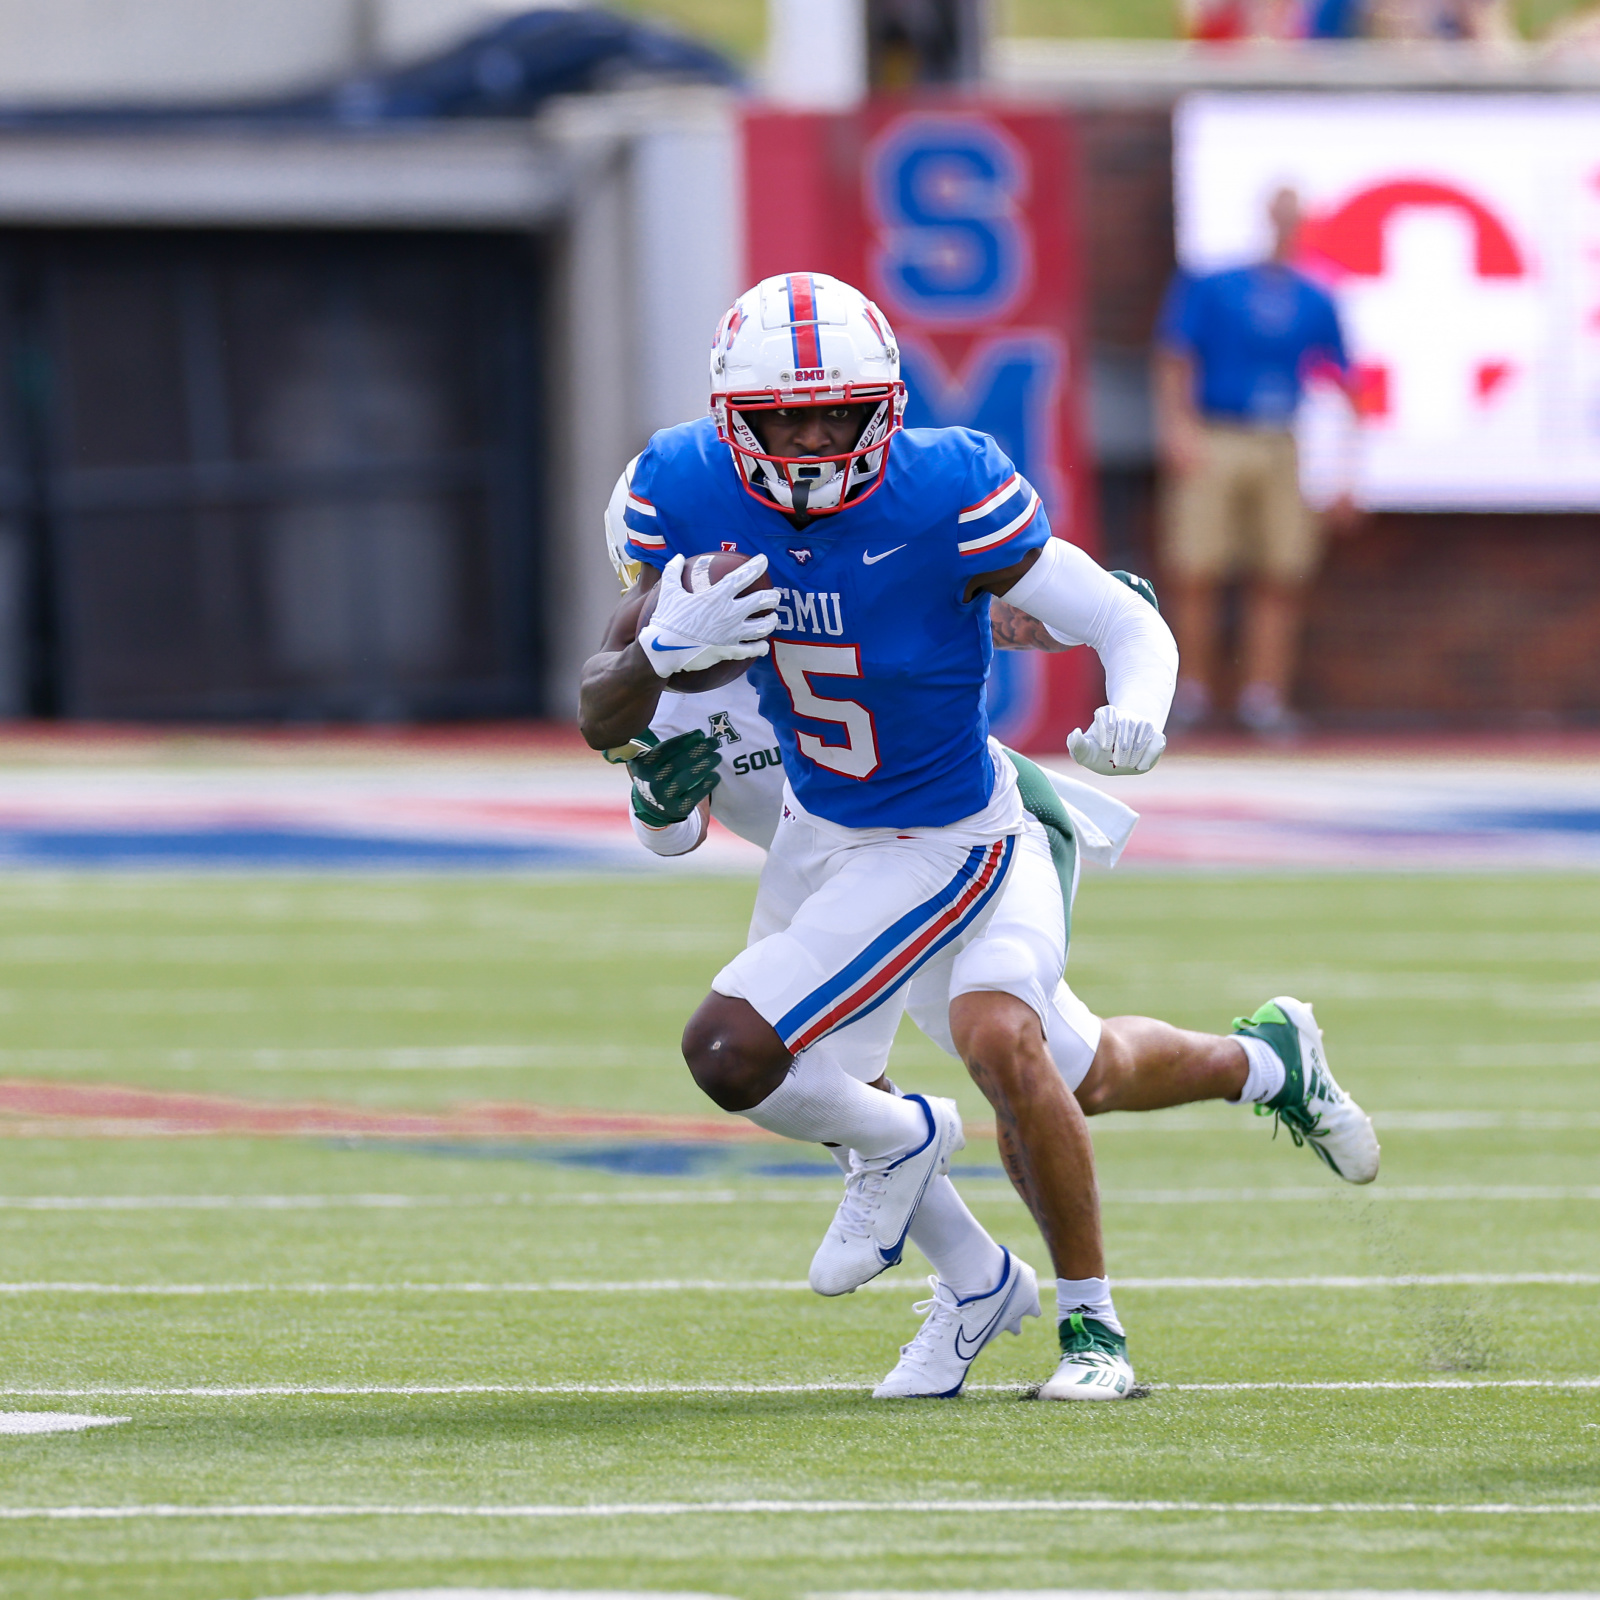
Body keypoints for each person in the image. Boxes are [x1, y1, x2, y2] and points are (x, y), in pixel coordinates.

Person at [580, 271, 1379, 1403]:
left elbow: (1106, 608)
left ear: (885, 409)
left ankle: (1088, 1324)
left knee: (990, 1045)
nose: (809, 446)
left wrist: (1132, 702)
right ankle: (1249, 1072)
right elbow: (644, 787)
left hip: (961, 826)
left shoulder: (940, 492)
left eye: (836, 415)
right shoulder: (681, 589)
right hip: (829, 840)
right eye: (781, 422)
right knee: (1063, 1069)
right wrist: (663, 670)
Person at [1154, 188, 1360, 737]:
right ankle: (1191, 690)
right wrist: (1178, 429)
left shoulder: (1317, 297)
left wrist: (1345, 473)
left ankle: (1263, 696)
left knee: (1280, 573)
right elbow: (1175, 357)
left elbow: (1347, 383)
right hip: (1217, 432)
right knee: (1197, 567)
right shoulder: (1216, 286)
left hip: (1280, 439)